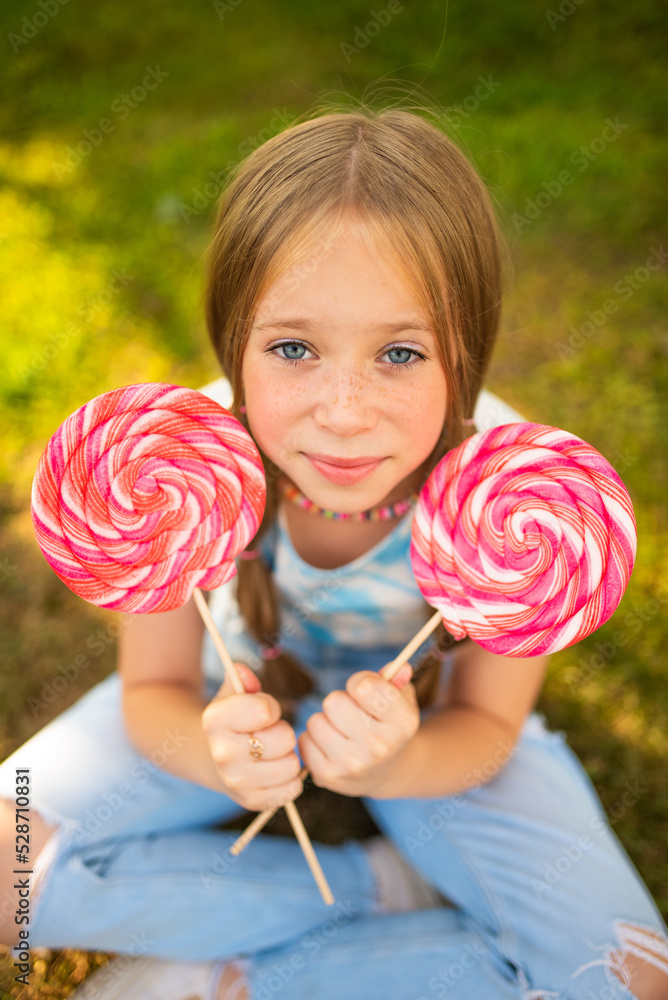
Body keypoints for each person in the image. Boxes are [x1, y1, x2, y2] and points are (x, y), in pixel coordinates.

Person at [1, 106, 667, 1000]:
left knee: (631, 983)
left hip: (433, 736)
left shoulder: (532, 502)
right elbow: (151, 690)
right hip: (218, 696)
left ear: (464, 355)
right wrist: (210, 753)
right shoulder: (161, 466)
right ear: (233, 343)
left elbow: (489, 728)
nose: (345, 410)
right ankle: (378, 899)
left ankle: (233, 985)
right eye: (293, 348)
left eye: (399, 352)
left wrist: (398, 768)